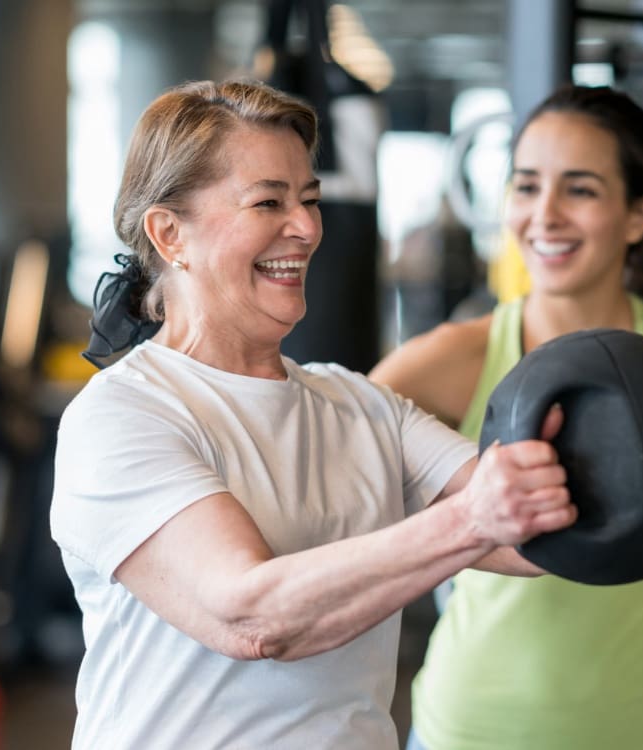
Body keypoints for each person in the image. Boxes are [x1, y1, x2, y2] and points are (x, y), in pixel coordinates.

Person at [48, 79, 577, 750]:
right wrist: (472, 519)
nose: (304, 227)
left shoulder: (362, 405)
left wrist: (603, 467)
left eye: (310, 200)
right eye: (268, 201)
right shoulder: (126, 414)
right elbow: (252, 616)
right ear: (169, 233)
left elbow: (522, 537)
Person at [370, 84, 643, 750]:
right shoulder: (446, 361)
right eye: (525, 186)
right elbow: (332, 505)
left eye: (579, 189)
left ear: (639, 215)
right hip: (468, 731)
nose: (543, 215)